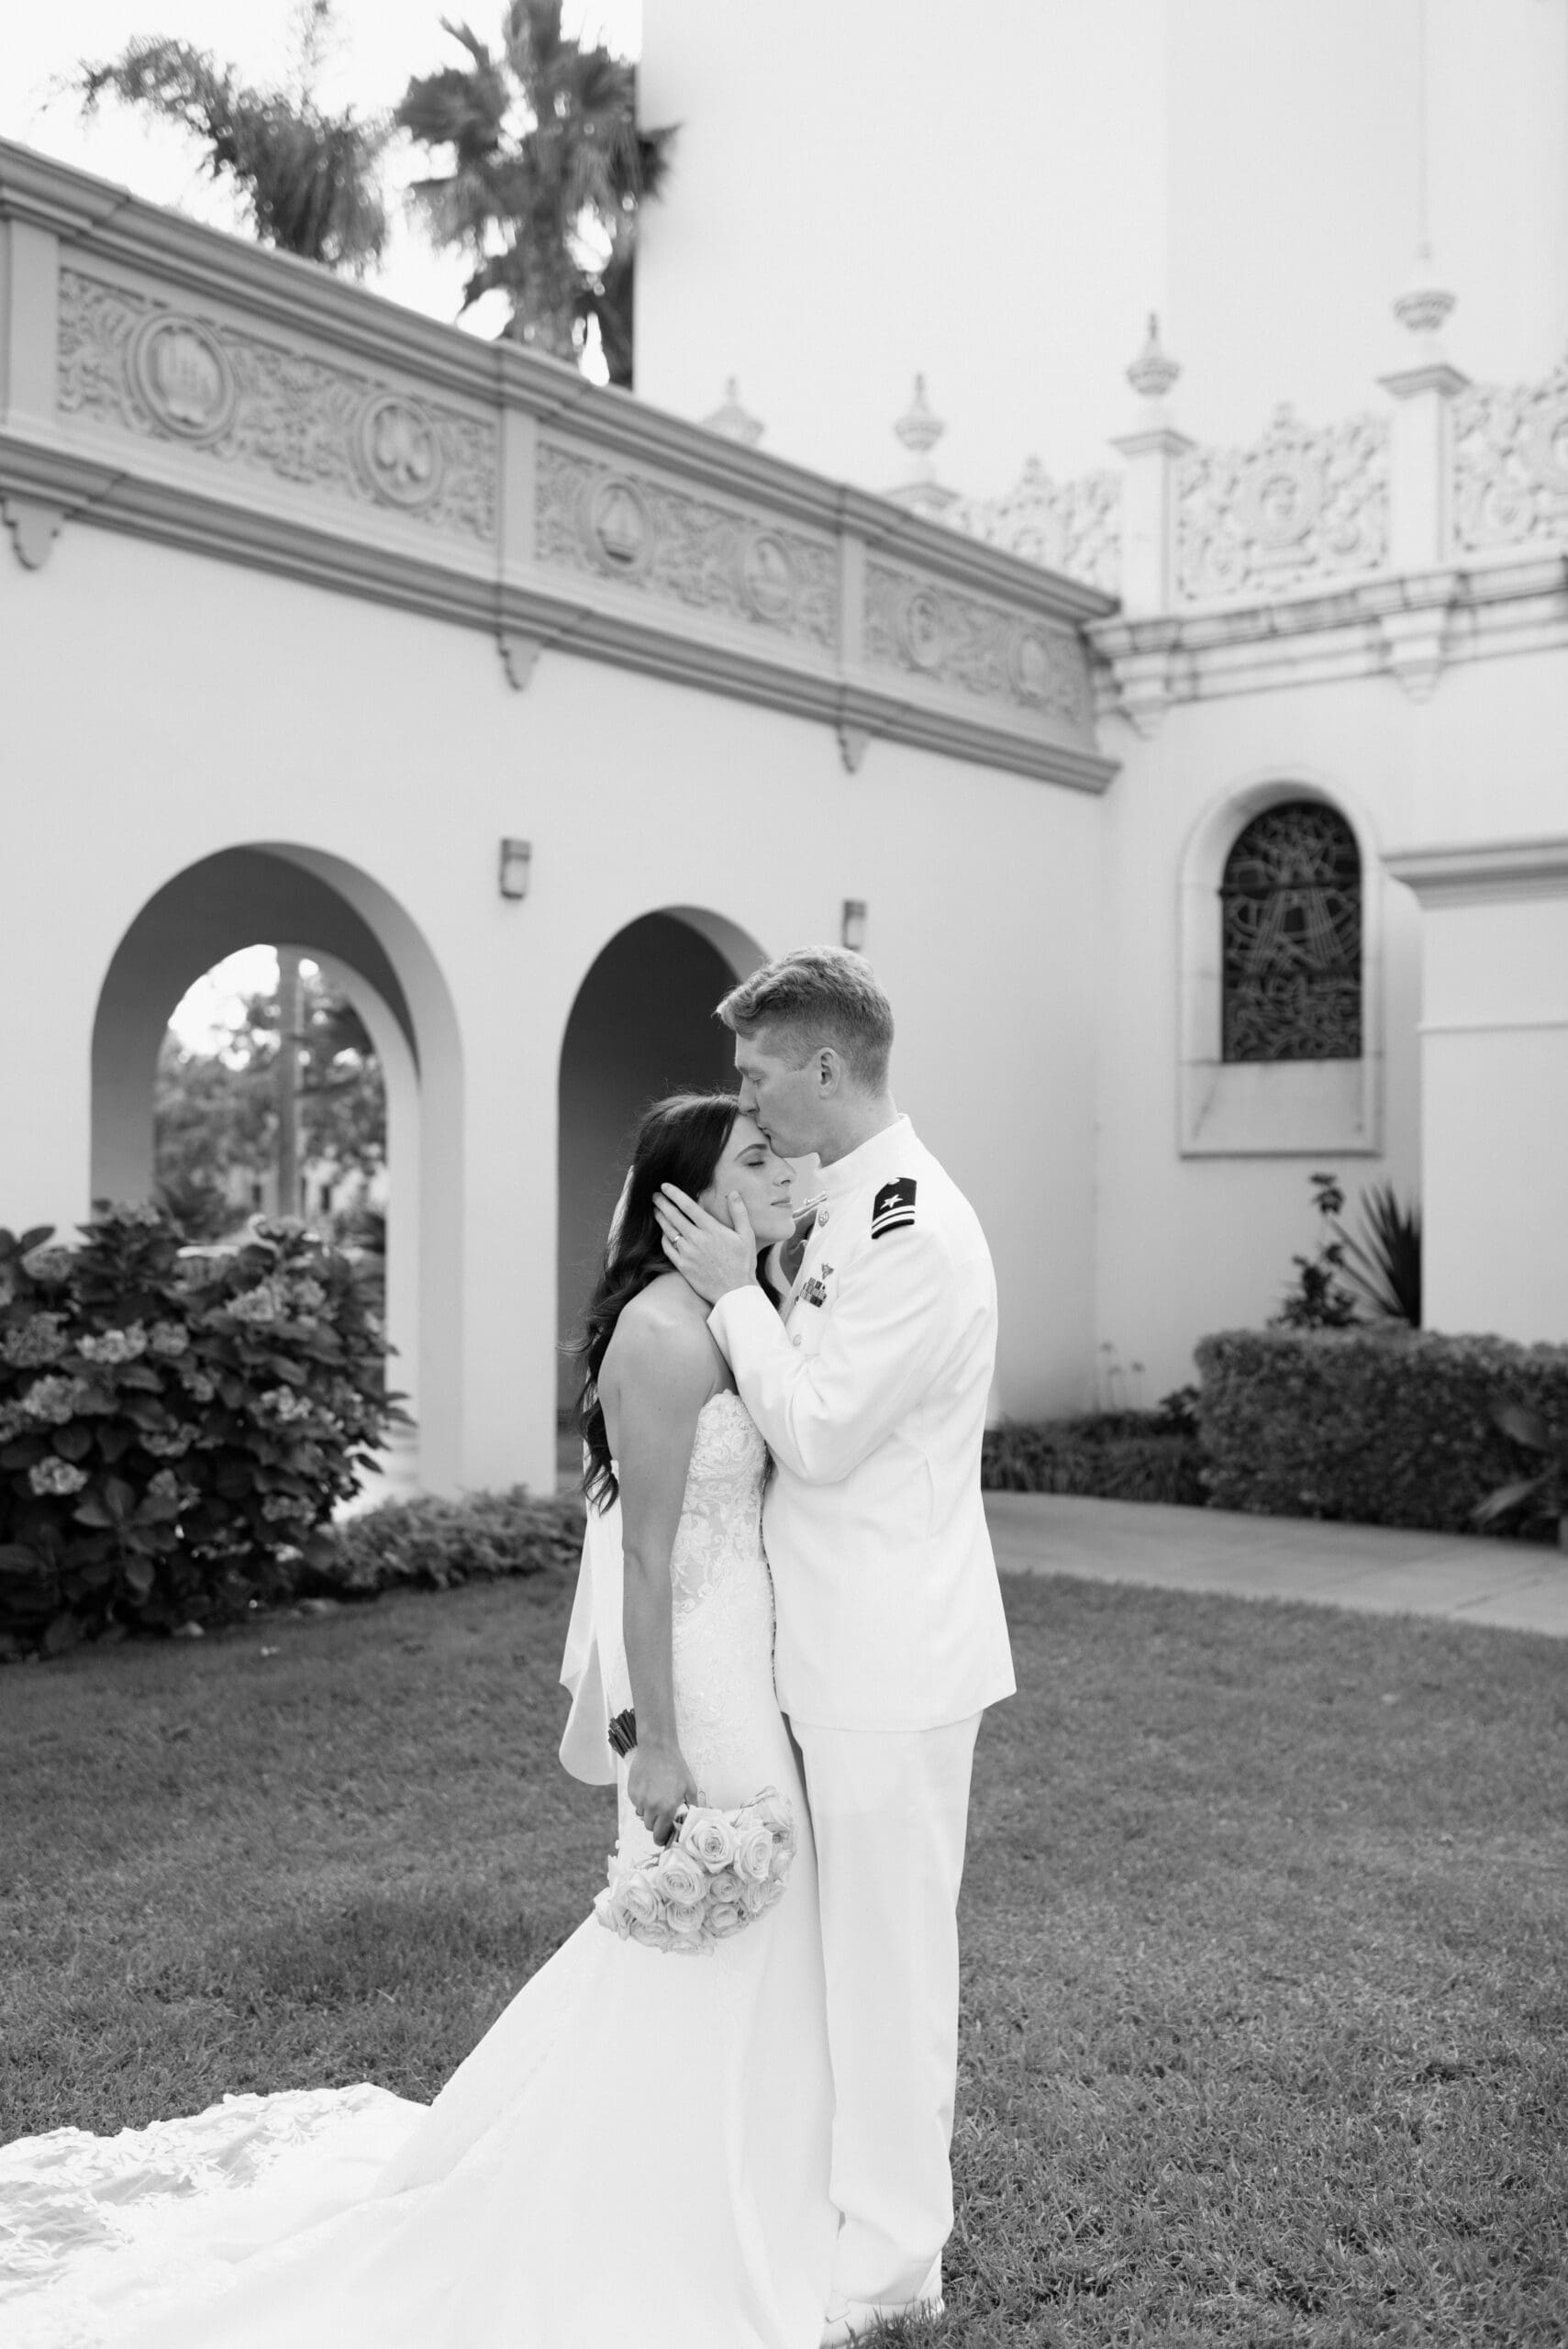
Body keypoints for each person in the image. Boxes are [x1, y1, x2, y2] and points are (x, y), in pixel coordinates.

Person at [0, 1095, 840, 2349]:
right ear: (681, 1198)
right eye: (755, 1156)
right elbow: (647, 1562)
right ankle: (661, 2211)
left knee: (742, 1941)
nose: (785, 1167)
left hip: (751, 1667)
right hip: (701, 1688)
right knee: (708, 1928)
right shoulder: (665, 1338)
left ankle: (742, 2185)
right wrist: (653, 1737)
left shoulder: (731, 1316)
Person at [655, 946, 1017, 2347]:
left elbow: (814, 1432)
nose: (744, 1099)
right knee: (847, 1963)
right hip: (833, 1646)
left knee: (890, 1974)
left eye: (754, 1073)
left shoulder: (918, 1228)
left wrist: (735, 1288)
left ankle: (888, 2276)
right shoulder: (855, 1202)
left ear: (822, 1066)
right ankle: (849, 2222)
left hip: (892, 1659)